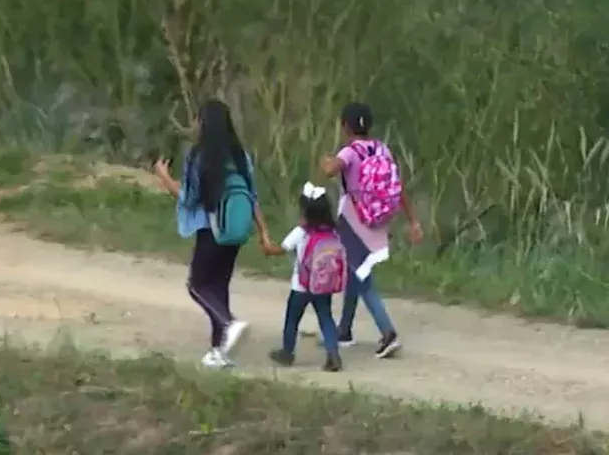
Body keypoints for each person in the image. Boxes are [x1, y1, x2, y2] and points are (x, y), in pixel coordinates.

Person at [153, 98, 274, 368]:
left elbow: (186, 197)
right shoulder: (241, 157)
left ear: (204, 123)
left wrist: (163, 176)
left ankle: (229, 324)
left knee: (197, 285)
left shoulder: (200, 156)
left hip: (210, 230)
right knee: (218, 287)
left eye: (197, 119)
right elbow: (252, 198)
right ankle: (220, 352)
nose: (194, 125)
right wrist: (263, 232)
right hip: (235, 231)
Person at [319, 102, 423, 359]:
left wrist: (325, 162)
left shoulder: (350, 152)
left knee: (363, 280)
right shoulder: (382, 149)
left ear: (345, 126)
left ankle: (388, 333)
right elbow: (398, 188)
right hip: (376, 220)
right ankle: (344, 330)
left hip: (353, 222)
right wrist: (413, 221)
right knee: (357, 272)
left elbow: (331, 170)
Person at [263, 183, 346, 372]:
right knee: (326, 317)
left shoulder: (301, 232)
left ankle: (287, 353)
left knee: (292, 319)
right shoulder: (333, 231)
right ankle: (333, 355)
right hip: (323, 284)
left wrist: (267, 247)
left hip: (301, 285)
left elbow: (279, 249)